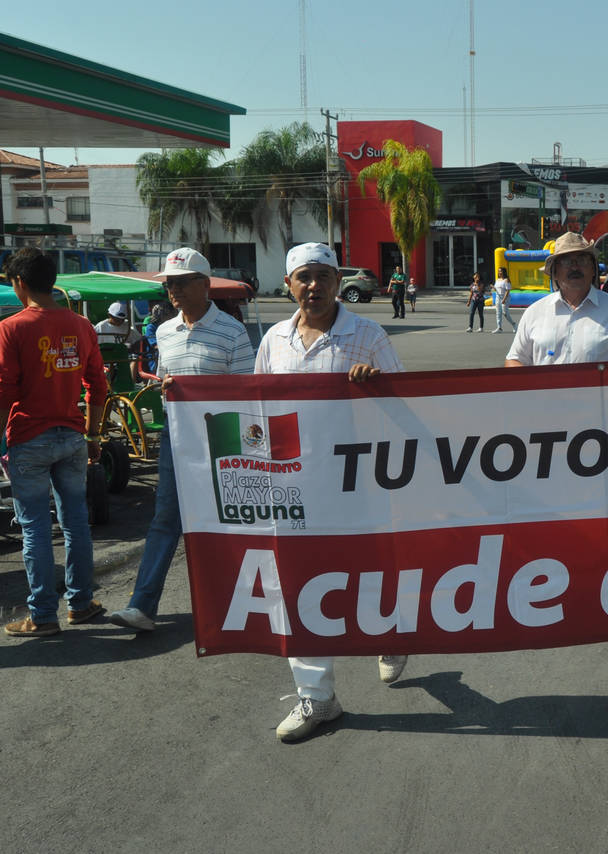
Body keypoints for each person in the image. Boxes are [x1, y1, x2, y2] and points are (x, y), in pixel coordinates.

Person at [256, 242, 409, 743]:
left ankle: (391, 635)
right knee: (298, 586)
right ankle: (318, 698)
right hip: (292, 487)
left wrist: (377, 386)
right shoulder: (275, 340)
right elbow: (255, 407)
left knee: (369, 576)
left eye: (323, 275)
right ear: (288, 285)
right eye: (304, 277)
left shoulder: (366, 334)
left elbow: (408, 405)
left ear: (337, 279)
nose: (314, 286)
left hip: (357, 483)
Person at [106, 248, 255, 633]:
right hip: (177, 436)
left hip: (224, 437)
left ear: (205, 286)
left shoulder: (233, 331)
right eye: (169, 283)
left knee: (228, 522)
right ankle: (142, 606)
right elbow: (165, 383)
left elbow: (248, 391)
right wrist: (167, 388)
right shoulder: (163, 331)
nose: (173, 290)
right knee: (165, 519)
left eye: (181, 282)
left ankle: (241, 605)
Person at [0, 248, 109, 637]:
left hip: (29, 438)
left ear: (21, 284)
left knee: (35, 530)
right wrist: (94, 434)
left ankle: (43, 615)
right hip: (73, 438)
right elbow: (98, 385)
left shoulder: (12, 328)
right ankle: (80, 604)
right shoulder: (82, 325)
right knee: (76, 524)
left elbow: (5, 392)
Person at [505, 232, 608, 366]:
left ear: (593, 270)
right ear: (554, 272)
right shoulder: (534, 313)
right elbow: (514, 359)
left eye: (582, 260)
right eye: (566, 261)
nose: (575, 267)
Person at [492, 267, 516, 333]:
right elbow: (497, 289)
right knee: (498, 312)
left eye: (501, 271)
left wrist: (504, 299)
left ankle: (514, 324)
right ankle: (499, 328)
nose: (499, 272)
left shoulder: (506, 280)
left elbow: (508, 291)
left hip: (505, 297)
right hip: (498, 297)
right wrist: (493, 287)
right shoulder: (497, 280)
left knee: (505, 313)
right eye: (499, 271)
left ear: (504, 272)